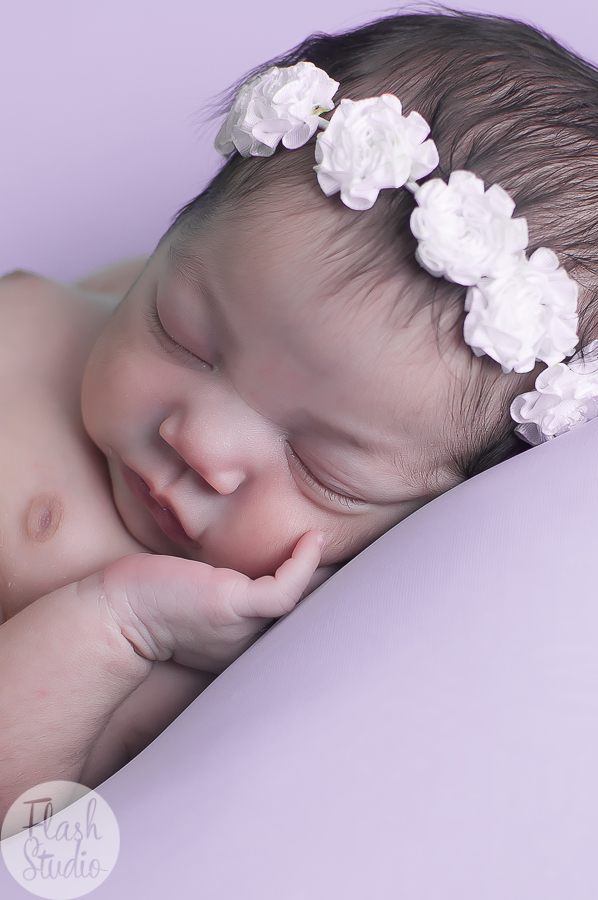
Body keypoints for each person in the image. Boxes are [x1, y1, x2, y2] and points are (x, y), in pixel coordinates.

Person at [2, 8, 598, 825]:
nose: (202, 443)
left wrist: (117, 625)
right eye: (184, 336)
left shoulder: (217, 641)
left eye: (322, 468)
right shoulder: (126, 293)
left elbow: (23, 826)